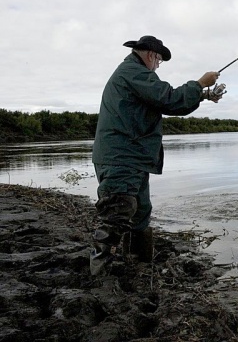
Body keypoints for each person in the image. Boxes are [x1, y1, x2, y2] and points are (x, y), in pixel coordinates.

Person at [90, 35, 224, 275]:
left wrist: (202, 96)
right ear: (151, 55)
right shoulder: (134, 72)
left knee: (140, 212)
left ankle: (139, 265)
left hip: (133, 158)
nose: (158, 65)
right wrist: (200, 83)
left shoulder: (134, 74)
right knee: (116, 214)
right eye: (159, 60)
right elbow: (169, 99)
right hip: (121, 158)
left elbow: (163, 102)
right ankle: (100, 276)